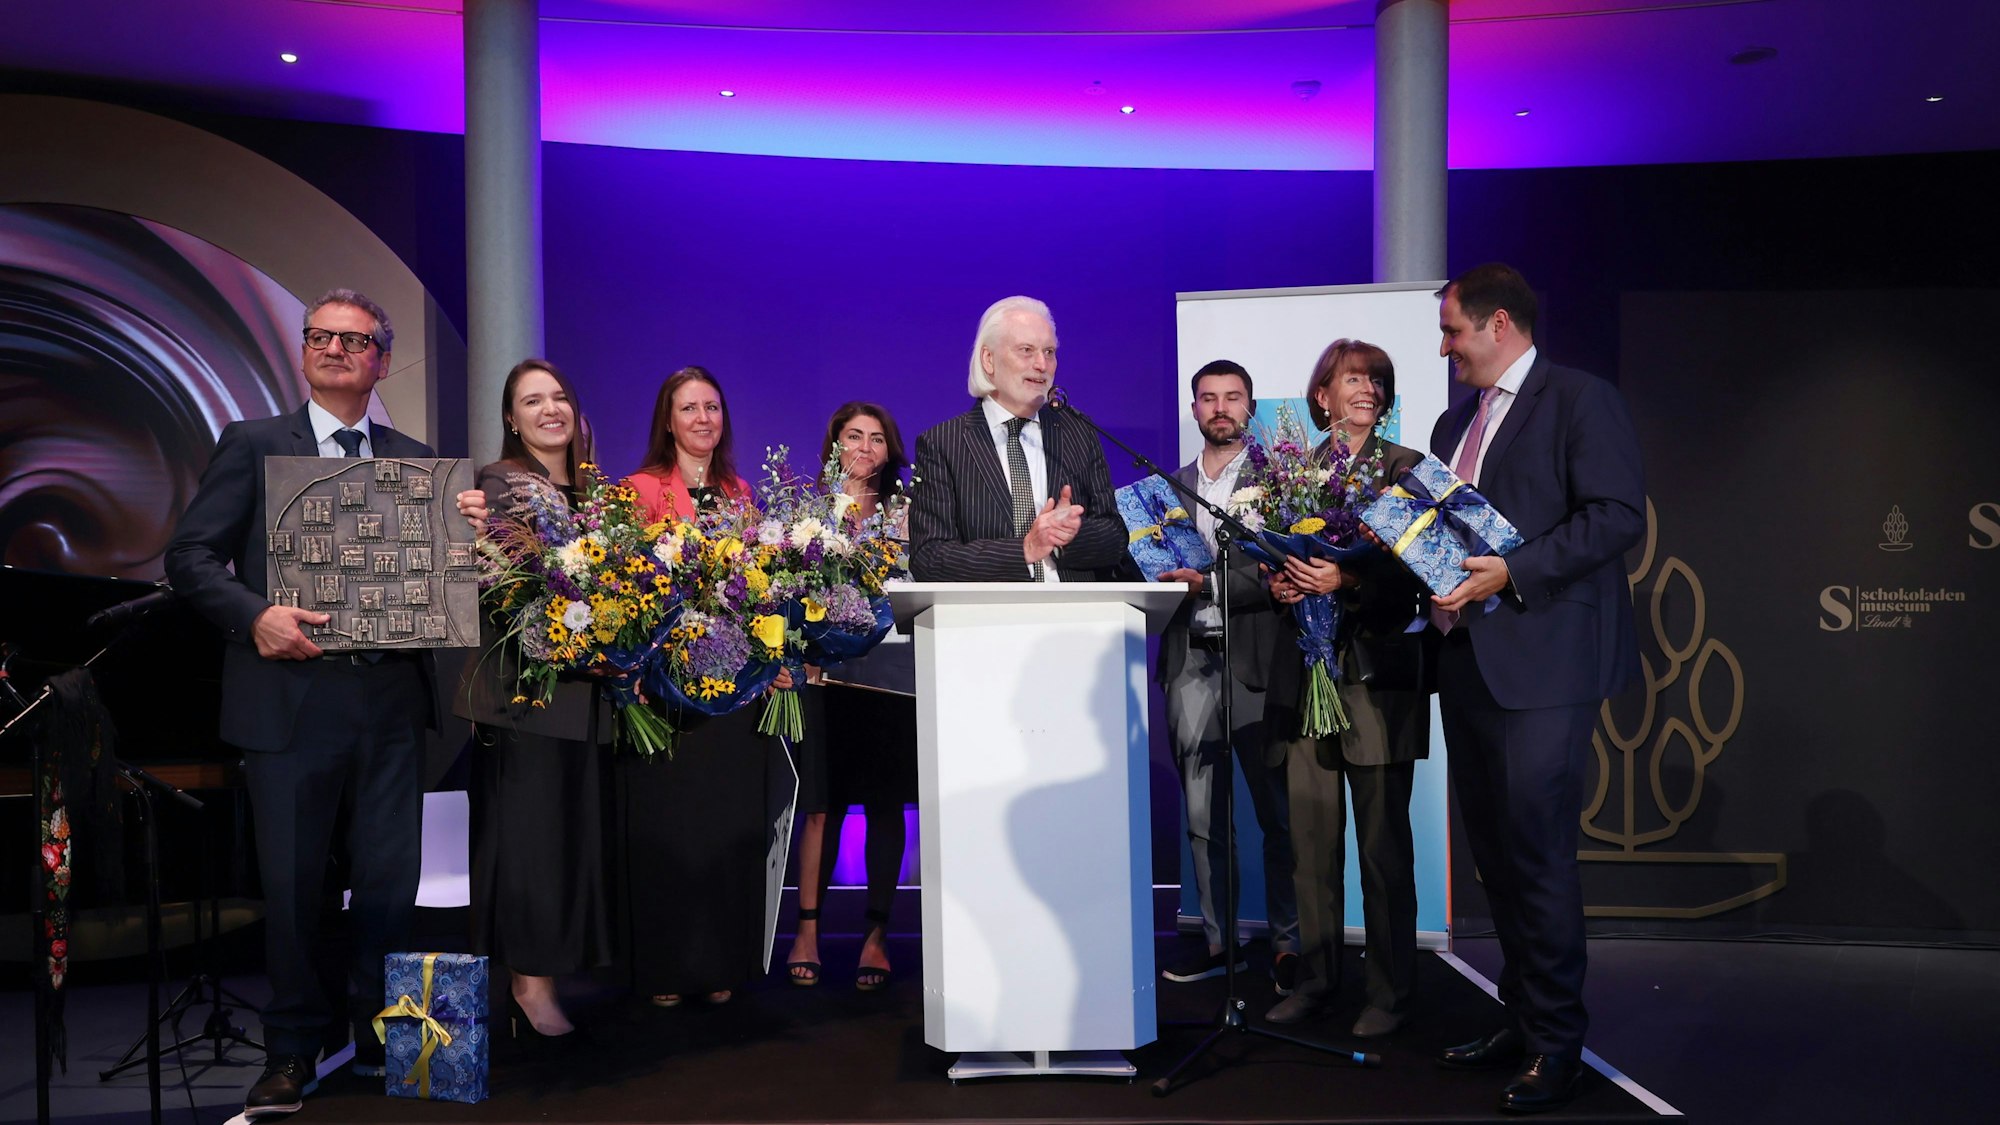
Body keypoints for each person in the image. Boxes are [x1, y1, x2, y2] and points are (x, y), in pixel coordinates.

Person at [165, 289, 434, 1115]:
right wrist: (256, 617)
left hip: (388, 694)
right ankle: (289, 1050)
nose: (333, 348)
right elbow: (190, 556)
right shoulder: (251, 444)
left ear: (381, 360)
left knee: (391, 882)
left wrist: (466, 531)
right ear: (304, 351)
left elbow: (443, 583)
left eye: (354, 340)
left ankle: (378, 1037)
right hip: (289, 695)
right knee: (291, 887)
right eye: (320, 335)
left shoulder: (414, 457)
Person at [1426, 264, 1645, 1113]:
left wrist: (1510, 572)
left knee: (1539, 858)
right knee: (1498, 861)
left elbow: (1617, 515)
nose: (1446, 351)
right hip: (1467, 662)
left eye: (1453, 333)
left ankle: (1558, 1043)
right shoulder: (1456, 419)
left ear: (1500, 324)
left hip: (1547, 665)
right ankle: (1520, 1019)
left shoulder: (1580, 400)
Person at [1262, 340, 1430, 1038]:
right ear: (1322, 395)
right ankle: (1318, 979)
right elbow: (1266, 548)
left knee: (1382, 851)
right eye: (1354, 378)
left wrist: (1349, 578)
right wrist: (1279, 583)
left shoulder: (1408, 470)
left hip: (1375, 682)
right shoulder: (1286, 473)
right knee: (1311, 843)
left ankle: (1389, 993)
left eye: (1378, 380)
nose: (1368, 389)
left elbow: (1423, 571)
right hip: (1306, 678)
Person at [455, 359, 610, 1041]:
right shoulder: (502, 484)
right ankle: (527, 981)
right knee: (531, 842)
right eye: (531, 400)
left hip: (591, 691)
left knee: (571, 839)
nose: (550, 409)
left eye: (560, 396)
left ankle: (553, 969)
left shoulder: (596, 493)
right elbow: (519, 585)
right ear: (512, 419)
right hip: (527, 695)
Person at [617, 366, 769, 1009]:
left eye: (712, 407)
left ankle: (721, 963)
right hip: (664, 692)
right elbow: (622, 589)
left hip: (730, 692)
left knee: (726, 826)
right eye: (689, 408)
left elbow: (765, 585)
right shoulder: (639, 490)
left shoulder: (742, 493)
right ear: (668, 420)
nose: (703, 418)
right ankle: (665, 967)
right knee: (670, 831)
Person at [1151, 360, 1301, 990]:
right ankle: (1219, 942)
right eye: (1208, 398)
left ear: (1250, 407)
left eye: (1232, 398)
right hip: (1190, 657)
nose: (1220, 408)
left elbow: (1284, 567)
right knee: (1202, 814)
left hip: (1257, 663)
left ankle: (1291, 945)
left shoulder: (1282, 483)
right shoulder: (1166, 488)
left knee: (1278, 811)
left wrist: (1209, 581)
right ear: (1193, 410)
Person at [783, 402, 917, 991]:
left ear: (890, 451)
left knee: (885, 806)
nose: (865, 447)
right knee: (819, 807)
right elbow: (779, 593)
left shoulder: (908, 514)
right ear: (834, 445)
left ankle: (876, 935)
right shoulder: (805, 516)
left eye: (876, 438)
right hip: (821, 680)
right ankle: (806, 931)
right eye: (852, 436)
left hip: (890, 682)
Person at [908, 295, 1124, 583]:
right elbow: (929, 558)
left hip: (1076, 617)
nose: (1041, 364)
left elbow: (1116, 536)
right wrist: (1025, 549)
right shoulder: (944, 443)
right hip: (987, 620)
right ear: (989, 359)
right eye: (1026, 350)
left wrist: (1069, 536)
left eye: (1049, 352)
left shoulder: (1078, 432)